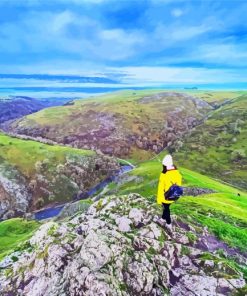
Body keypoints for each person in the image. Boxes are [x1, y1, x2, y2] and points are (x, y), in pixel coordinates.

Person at [157, 154, 182, 225]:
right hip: (174, 195)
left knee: (166, 208)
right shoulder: (177, 173)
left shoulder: (164, 175)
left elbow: (160, 188)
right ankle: (163, 218)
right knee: (167, 207)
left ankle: (168, 222)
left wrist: (159, 200)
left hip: (166, 196)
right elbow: (178, 185)